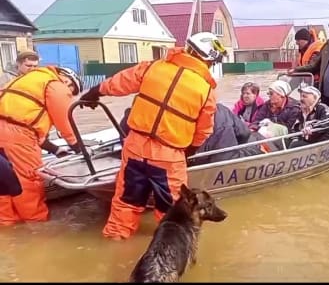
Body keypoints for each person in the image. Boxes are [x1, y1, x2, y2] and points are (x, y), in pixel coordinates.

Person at [79, 32, 226, 240]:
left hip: (134, 148)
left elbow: (121, 81)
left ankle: (115, 245)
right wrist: (189, 151)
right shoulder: (206, 91)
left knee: (125, 203)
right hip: (169, 155)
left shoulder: (153, 67)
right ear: (209, 59)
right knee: (173, 212)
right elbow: (203, 130)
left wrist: (95, 92)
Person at [0, 66, 83, 226]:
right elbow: (65, 121)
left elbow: (25, 122)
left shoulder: (26, 80)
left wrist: (55, 149)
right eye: (72, 91)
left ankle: (6, 223)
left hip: (8, 132)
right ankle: (36, 223)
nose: (70, 94)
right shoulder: (56, 85)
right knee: (29, 179)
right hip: (17, 137)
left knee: (3, 180)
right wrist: (77, 146)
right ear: (68, 80)